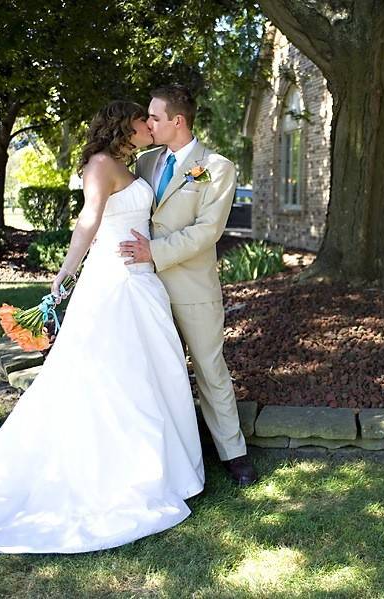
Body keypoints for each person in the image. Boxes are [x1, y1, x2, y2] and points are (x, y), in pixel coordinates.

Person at [0, 101, 205, 553]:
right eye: (142, 120)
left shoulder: (133, 164)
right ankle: (123, 473)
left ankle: (160, 467)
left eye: (153, 120)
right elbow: (88, 222)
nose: (149, 126)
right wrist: (62, 281)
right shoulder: (100, 165)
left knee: (152, 373)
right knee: (115, 378)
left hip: (142, 282)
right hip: (113, 284)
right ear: (124, 125)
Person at [118, 85, 257, 486]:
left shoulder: (216, 166)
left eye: (155, 117)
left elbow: (207, 231)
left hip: (193, 287)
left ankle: (234, 454)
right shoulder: (144, 162)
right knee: (157, 371)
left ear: (177, 121)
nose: (147, 123)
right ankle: (168, 454)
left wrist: (155, 252)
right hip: (143, 287)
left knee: (211, 371)